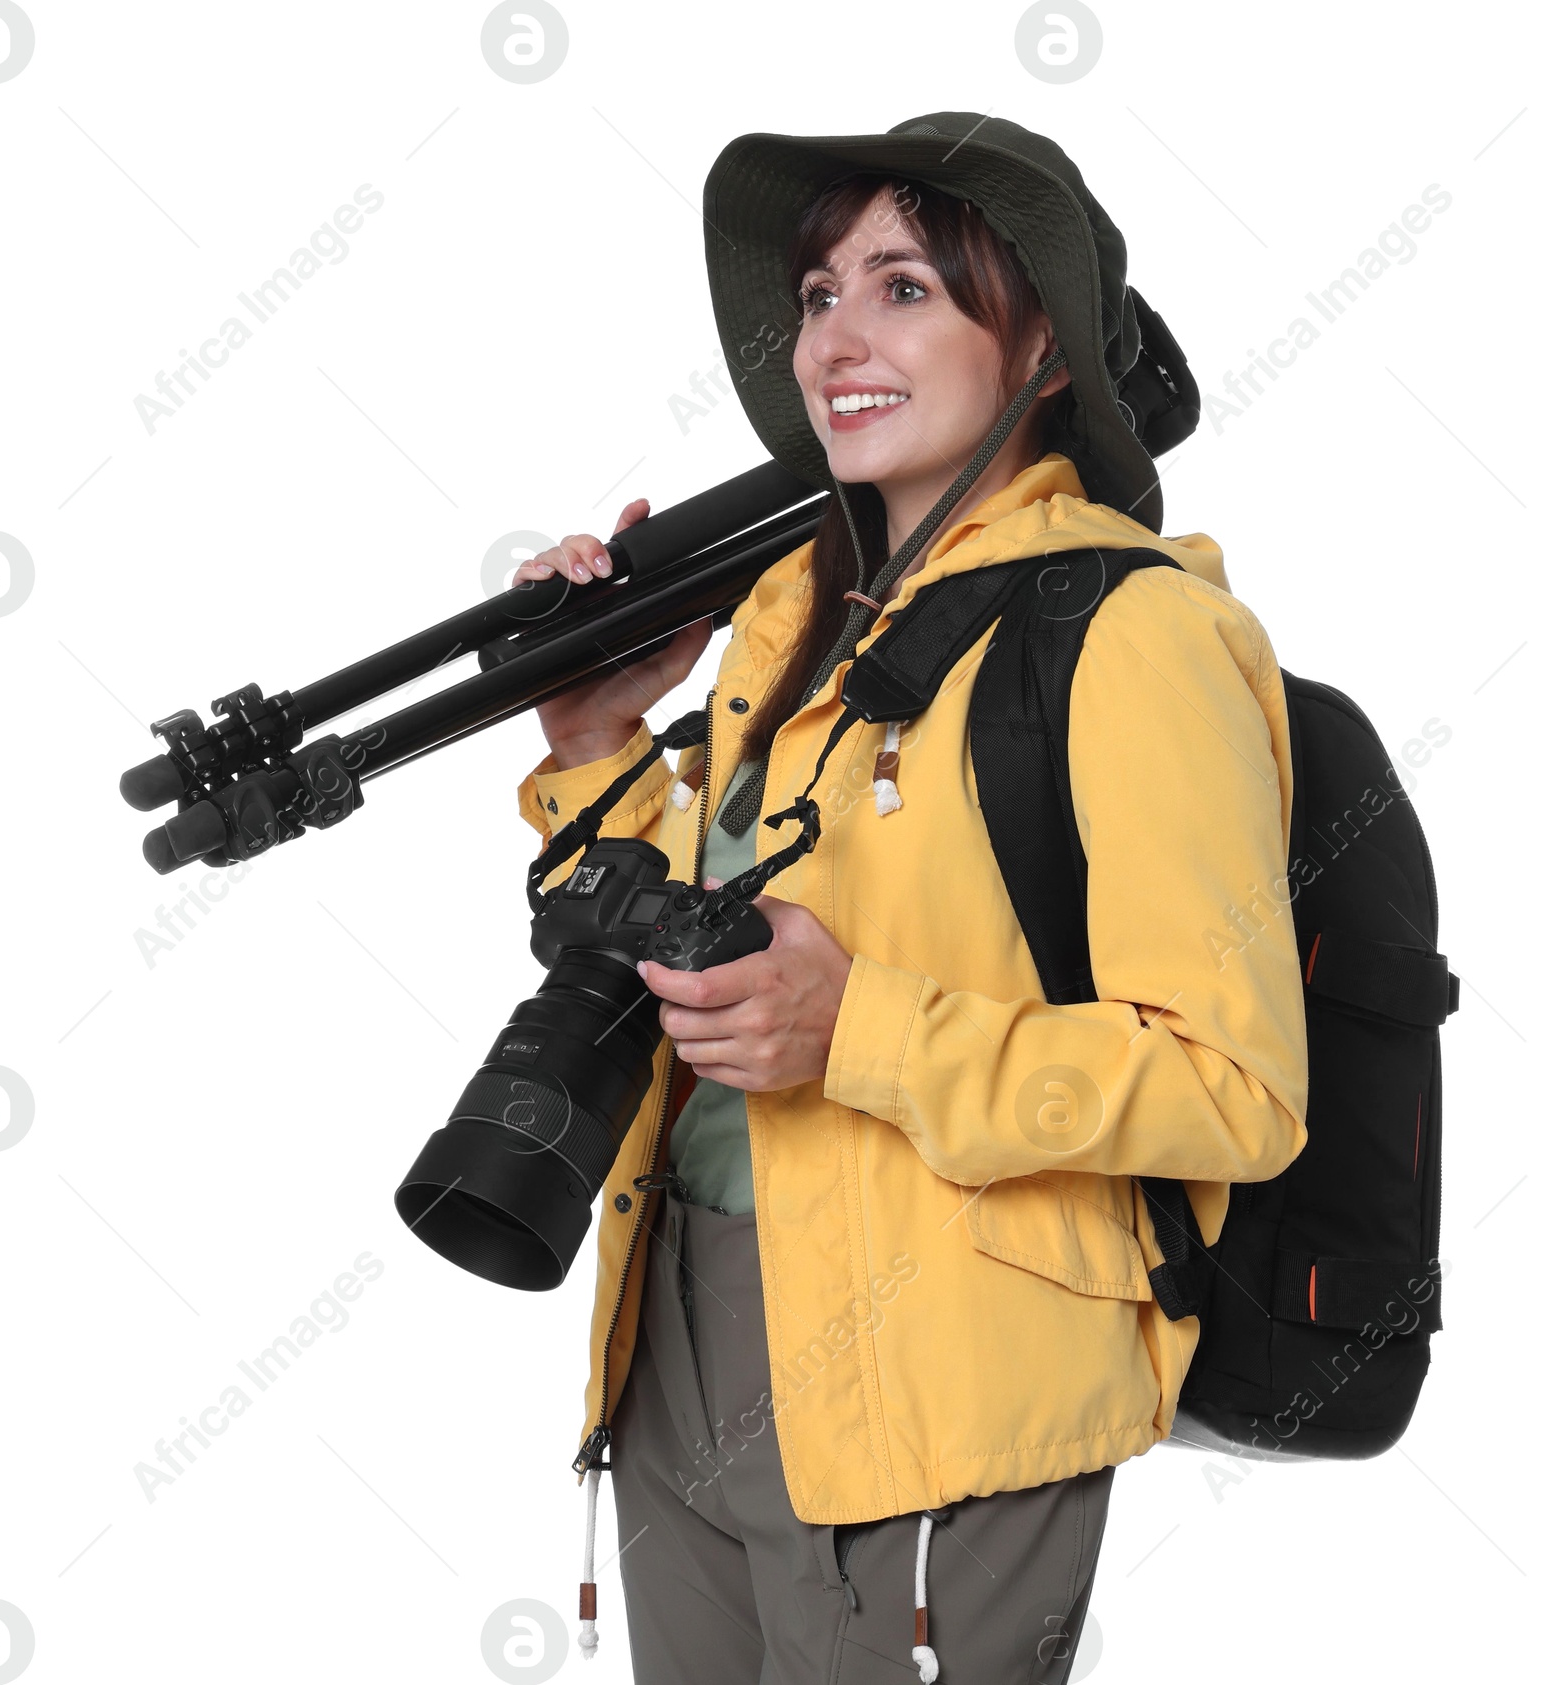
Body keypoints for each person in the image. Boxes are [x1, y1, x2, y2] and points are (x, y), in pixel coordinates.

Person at [515, 113, 1309, 1684]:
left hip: (942, 1355)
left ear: (1046, 353)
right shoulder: (789, 621)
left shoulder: (1133, 635)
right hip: (677, 1304)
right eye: (818, 295)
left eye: (907, 289)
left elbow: (1237, 1090)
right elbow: (695, 944)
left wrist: (858, 1028)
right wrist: (600, 745)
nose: (839, 340)